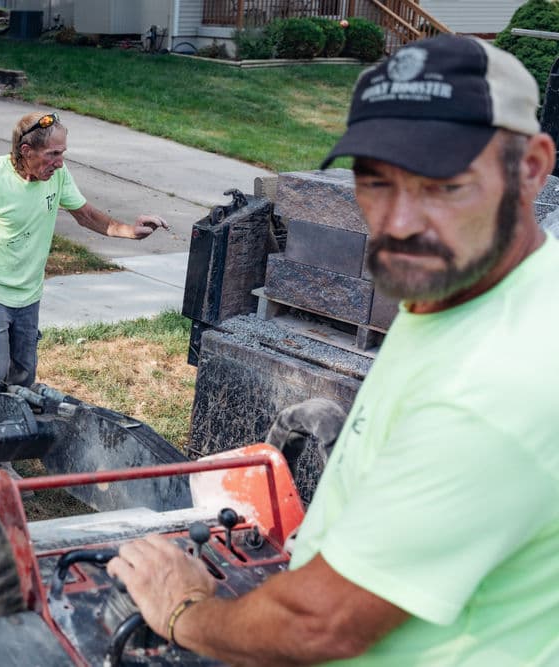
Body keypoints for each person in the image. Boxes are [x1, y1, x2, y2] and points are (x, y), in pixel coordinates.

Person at [108, 34, 559, 665]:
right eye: (376, 182)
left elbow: (320, 627)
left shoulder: (500, 385)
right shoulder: (472, 282)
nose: (399, 221)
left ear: (533, 168)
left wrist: (184, 606)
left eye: (442, 186)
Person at [0, 112, 168, 388]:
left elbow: (85, 214)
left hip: (29, 294)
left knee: (23, 378)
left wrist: (130, 231)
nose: (60, 163)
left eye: (63, 153)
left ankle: (14, 430)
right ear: (26, 151)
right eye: (53, 154)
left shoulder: (56, 176)